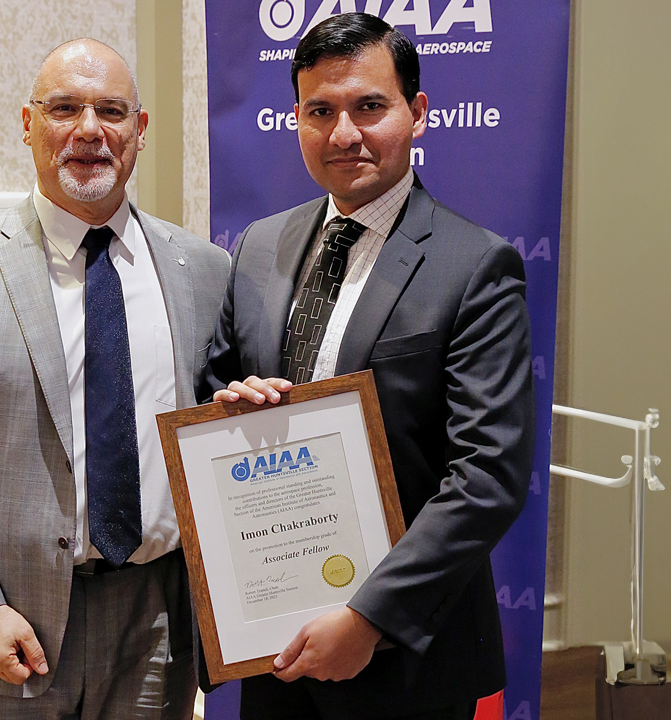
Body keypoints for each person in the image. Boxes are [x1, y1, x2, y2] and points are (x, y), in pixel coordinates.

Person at [0, 38, 230, 720]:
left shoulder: (204, 271)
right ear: (28, 124)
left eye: (111, 111)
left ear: (140, 130)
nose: (89, 130)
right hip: (6, 628)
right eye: (64, 108)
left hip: (157, 627)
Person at [201, 13, 535, 720]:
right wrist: (231, 402)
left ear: (416, 114)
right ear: (295, 118)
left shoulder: (476, 266)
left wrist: (368, 619)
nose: (344, 133)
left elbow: (488, 477)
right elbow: (213, 390)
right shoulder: (259, 247)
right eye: (320, 111)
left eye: (369, 107)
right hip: (278, 643)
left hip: (409, 654)